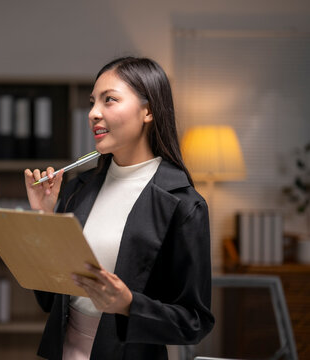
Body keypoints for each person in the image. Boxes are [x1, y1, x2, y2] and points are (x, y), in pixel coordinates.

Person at [23, 56, 215, 359]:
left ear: (148, 110)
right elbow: (48, 300)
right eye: (92, 102)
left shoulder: (184, 204)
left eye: (109, 100)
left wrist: (128, 304)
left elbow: (195, 322)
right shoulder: (75, 190)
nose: (93, 113)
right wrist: (45, 216)